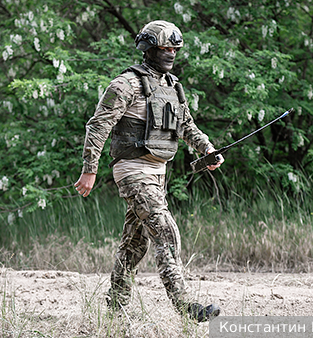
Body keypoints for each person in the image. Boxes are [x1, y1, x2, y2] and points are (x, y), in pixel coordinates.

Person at [73, 20, 223, 322]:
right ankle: (185, 307)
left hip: (158, 173)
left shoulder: (172, 87)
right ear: (149, 49)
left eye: (173, 49)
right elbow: (99, 125)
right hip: (131, 170)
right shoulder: (125, 84)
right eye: (164, 48)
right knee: (164, 228)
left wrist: (207, 149)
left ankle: (114, 310)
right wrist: (90, 169)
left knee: (134, 243)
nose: (169, 54)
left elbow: (186, 126)